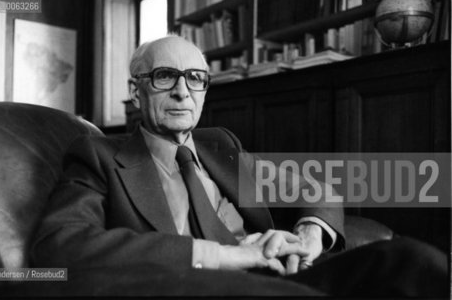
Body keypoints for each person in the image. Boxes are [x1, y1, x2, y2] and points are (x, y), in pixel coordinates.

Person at [31, 35, 447, 297]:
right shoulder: (98, 155)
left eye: (195, 78)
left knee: (413, 261)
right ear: (136, 91)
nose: (182, 92)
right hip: (201, 287)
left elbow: (315, 189)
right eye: (164, 77)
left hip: (284, 277)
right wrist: (226, 256)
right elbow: (60, 248)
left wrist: (309, 237)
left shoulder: (219, 147)